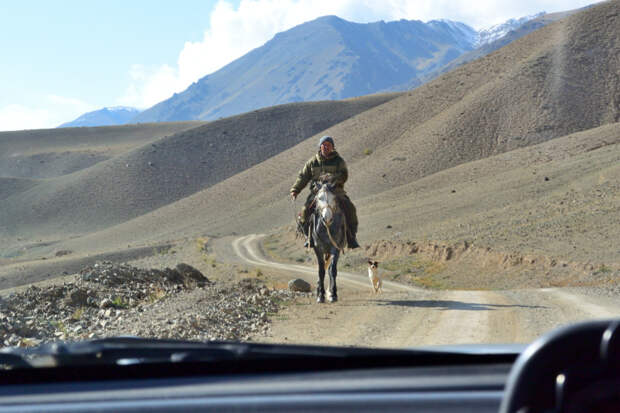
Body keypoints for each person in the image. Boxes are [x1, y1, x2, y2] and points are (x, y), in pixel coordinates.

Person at [290, 135, 360, 249]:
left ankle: (351, 238)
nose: (326, 147)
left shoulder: (339, 161)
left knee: (350, 209)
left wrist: (333, 177)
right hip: (317, 193)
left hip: (336, 191)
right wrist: (295, 190)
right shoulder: (312, 162)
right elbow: (303, 177)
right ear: (320, 146)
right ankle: (308, 237)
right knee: (304, 212)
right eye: (324, 145)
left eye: (329, 145)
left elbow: (344, 175)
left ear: (332, 147)